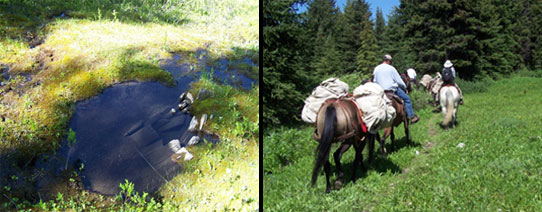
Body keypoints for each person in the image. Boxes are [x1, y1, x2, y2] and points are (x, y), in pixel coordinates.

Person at [373, 54, 419, 123]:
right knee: (407, 99)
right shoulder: (391, 68)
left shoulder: (376, 69)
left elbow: (374, 81)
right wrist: (404, 87)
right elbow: (399, 82)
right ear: (388, 61)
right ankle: (411, 116)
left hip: (380, 91)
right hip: (392, 90)